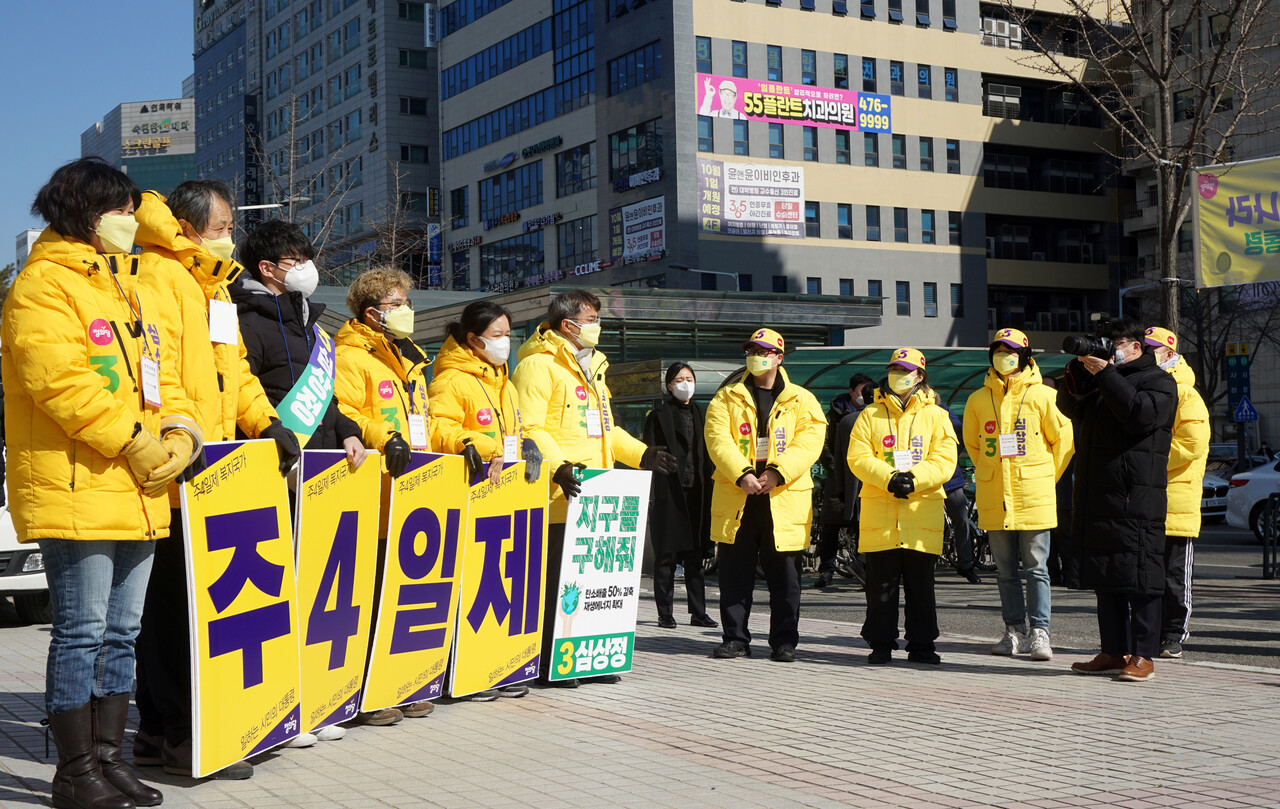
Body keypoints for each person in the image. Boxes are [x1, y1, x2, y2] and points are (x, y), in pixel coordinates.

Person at [2, 158, 203, 809]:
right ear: (85, 212)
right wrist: (142, 443)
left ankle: (110, 758)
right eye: (119, 209)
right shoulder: (41, 285)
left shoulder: (122, 287)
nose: (129, 221)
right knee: (82, 631)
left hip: (137, 487)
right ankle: (74, 769)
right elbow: (62, 385)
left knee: (123, 632)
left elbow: (160, 372)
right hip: (77, 486)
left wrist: (180, 433)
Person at [132, 182, 302, 779]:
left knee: (181, 608)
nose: (231, 232)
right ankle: (179, 734)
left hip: (219, 474)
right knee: (173, 612)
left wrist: (266, 422)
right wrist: (186, 437)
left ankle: (159, 731)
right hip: (181, 471)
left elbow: (235, 376)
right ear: (187, 224)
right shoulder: (160, 275)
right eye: (223, 223)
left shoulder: (215, 286)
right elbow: (157, 373)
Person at [511, 289, 676, 688]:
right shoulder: (538, 366)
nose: (597, 325)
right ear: (568, 325)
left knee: (594, 582)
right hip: (560, 492)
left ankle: (590, 659)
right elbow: (530, 428)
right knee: (557, 583)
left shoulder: (593, 367)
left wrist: (642, 454)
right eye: (592, 318)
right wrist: (561, 465)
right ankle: (551, 662)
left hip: (598, 493)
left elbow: (605, 428)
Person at [332, 266, 442, 715]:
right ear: (372, 313)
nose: (406, 311)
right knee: (372, 595)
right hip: (373, 491)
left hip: (415, 491)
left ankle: (400, 682)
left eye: (407, 303)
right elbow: (341, 412)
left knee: (404, 595)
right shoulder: (351, 355)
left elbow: (426, 420)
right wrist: (383, 436)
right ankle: (368, 693)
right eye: (397, 305)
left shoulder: (411, 360)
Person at [427, 299, 543, 698]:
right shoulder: (451, 379)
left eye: (509, 335)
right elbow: (439, 426)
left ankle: (494, 665)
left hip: (501, 498)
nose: (506, 343)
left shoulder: (504, 383)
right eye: (498, 336)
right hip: (468, 492)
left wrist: (524, 446)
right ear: (473, 339)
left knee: (496, 585)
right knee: (469, 588)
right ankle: (463, 671)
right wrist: (485, 446)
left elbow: (514, 429)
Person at [1058, 317, 1177, 682]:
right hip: (1099, 496)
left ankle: (1143, 656)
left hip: (1136, 498)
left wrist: (1107, 374)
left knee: (1140, 577)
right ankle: (1112, 651)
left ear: (1136, 347)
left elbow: (1138, 416)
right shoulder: (1103, 382)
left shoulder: (1159, 382)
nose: (1109, 349)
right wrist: (1078, 371)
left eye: (1116, 343)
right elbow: (1070, 407)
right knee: (1106, 578)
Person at [705, 328, 825, 663]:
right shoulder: (725, 397)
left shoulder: (803, 400)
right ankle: (735, 638)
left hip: (782, 495)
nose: (757, 356)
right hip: (738, 493)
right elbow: (717, 439)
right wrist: (741, 473)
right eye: (752, 350)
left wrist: (777, 472)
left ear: (779, 357)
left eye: (764, 351)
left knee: (785, 578)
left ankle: (784, 641)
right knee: (734, 573)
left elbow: (809, 443)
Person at [963, 328, 1073, 661]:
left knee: (1037, 567)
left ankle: (1040, 632)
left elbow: (1063, 442)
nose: (1003, 356)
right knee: (1005, 570)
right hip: (995, 492)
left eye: (1009, 350)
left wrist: (1043, 477)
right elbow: (973, 444)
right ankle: (1014, 631)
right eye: (997, 350)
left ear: (1025, 356)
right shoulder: (978, 399)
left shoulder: (1043, 395)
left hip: (1033, 494)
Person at [848, 348, 957, 665]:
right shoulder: (871, 414)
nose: (898, 374)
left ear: (920, 376)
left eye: (905, 369)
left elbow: (945, 459)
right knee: (880, 585)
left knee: (921, 586)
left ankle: (922, 644)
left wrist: (914, 479)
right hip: (881, 511)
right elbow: (858, 457)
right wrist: (889, 478)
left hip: (921, 512)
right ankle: (880, 643)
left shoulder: (937, 415)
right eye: (894, 368)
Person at [1145, 327, 1210, 660]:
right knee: (1150, 575)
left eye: (1152, 348)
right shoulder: (1148, 387)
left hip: (1177, 497)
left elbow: (1192, 443)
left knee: (1174, 575)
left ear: (1170, 353)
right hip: (1150, 497)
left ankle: (1173, 634)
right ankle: (1151, 634)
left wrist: (1150, 456)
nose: (1147, 352)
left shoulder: (1185, 393)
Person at [642, 362, 717, 629]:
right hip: (670, 493)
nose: (685, 384)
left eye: (689, 378)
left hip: (698, 491)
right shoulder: (658, 415)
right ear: (669, 386)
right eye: (679, 379)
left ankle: (699, 612)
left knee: (695, 558)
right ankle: (665, 613)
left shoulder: (703, 413)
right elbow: (649, 455)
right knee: (667, 557)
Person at [815, 374, 874, 588]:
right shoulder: (835, 415)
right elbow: (824, 445)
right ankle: (826, 570)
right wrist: (834, 468)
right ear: (851, 392)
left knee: (862, 524)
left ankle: (862, 569)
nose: (863, 396)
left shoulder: (872, 415)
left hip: (862, 478)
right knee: (831, 526)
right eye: (860, 391)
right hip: (837, 477)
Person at [940, 404, 981, 584]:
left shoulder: (942, 409)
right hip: (923, 477)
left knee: (961, 519)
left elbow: (960, 433)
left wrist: (949, 456)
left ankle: (966, 564)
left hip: (949, 477)